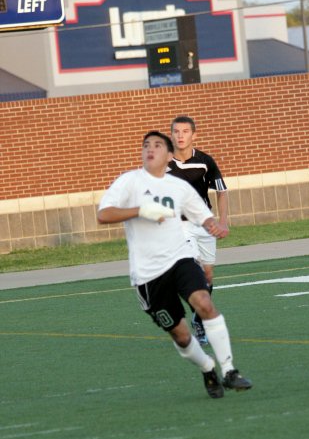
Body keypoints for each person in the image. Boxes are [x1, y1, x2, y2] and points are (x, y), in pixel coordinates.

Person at [97, 130, 252, 399]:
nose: (150, 149)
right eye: (146, 145)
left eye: (157, 145)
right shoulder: (129, 182)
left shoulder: (179, 187)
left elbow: (203, 216)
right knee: (180, 335)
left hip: (180, 259)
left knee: (204, 303)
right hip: (148, 275)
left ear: (169, 156)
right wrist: (140, 210)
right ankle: (207, 368)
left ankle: (229, 371)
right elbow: (104, 214)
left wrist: (214, 225)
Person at [167, 115, 229, 345]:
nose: (180, 136)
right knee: (191, 269)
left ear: (194, 135)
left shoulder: (205, 161)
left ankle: (198, 320)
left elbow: (222, 191)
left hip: (205, 224)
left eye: (185, 131)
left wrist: (222, 222)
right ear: (171, 135)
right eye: (176, 131)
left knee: (208, 276)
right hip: (178, 226)